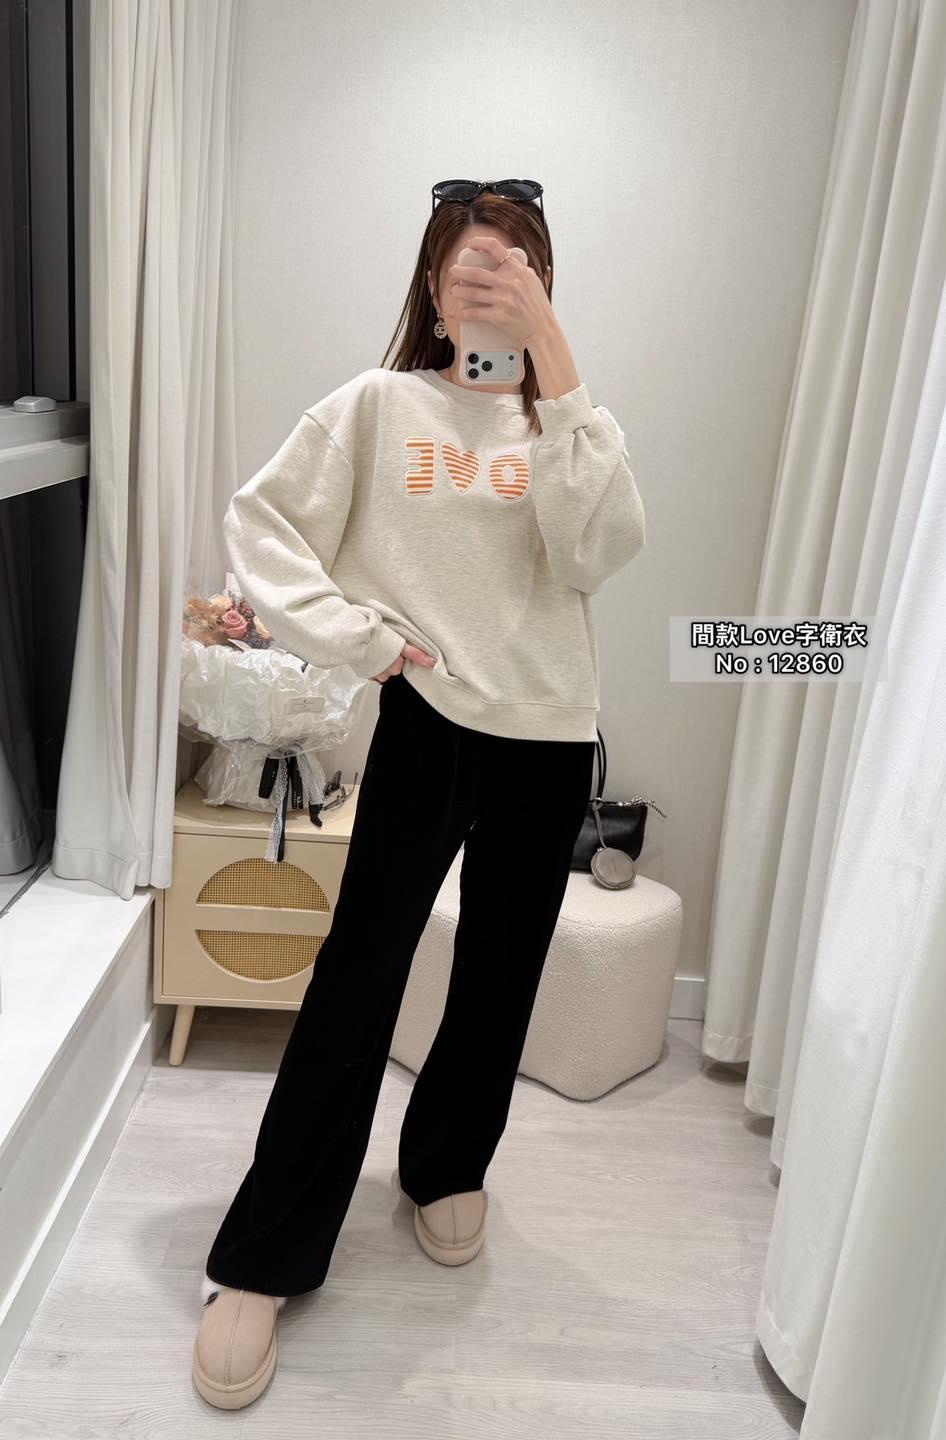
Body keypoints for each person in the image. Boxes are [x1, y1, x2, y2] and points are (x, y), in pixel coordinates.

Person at [191, 179, 646, 1409]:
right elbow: (263, 524)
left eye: (514, 270)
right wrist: (361, 640)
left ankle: (445, 1166)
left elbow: (597, 551)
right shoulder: (378, 406)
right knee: (359, 978)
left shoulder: (571, 426)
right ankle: (265, 1249)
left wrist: (557, 364)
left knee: (500, 975)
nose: (486, 286)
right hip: (431, 720)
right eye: (466, 269)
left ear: (543, 287)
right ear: (433, 293)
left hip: (549, 732)